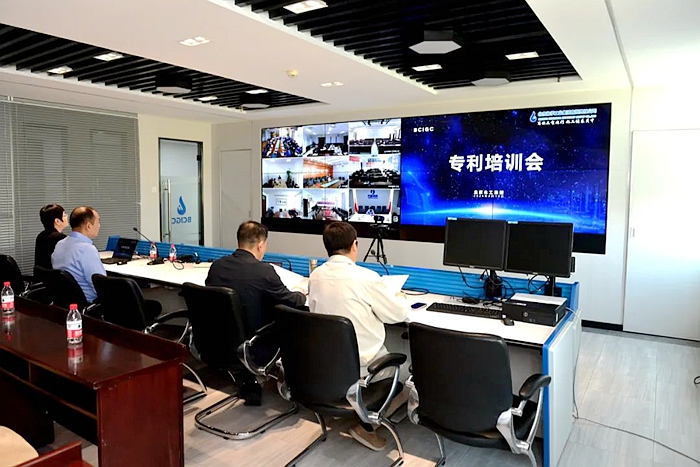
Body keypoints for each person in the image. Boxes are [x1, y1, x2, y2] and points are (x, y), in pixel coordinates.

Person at [308, 221, 409, 452]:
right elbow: (398, 314)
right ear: (354, 245)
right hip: (364, 370)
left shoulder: (316, 276)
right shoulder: (366, 277)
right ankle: (367, 426)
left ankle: (360, 411)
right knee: (402, 380)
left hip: (325, 368)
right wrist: (400, 298)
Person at [206, 220, 306, 405]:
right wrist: (301, 293)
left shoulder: (217, 266)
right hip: (253, 346)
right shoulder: (263, 271)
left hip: (217, 341)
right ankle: (297, 389)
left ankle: (251, 380)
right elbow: (292, 301)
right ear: (260, 245)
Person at [51, 206, 105, 303]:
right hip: (90, 303)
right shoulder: (87, 249)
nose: (99, 226)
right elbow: (101, 286)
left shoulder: (60, 244)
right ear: (88, 226)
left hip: (64, 301)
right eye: (98, 222)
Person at [34, 204, 69, 270]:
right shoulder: (61, 239)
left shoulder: (41, 236)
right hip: (57, 275)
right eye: (64, 215)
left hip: (43, 276)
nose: (67, 216)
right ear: (57, 221)